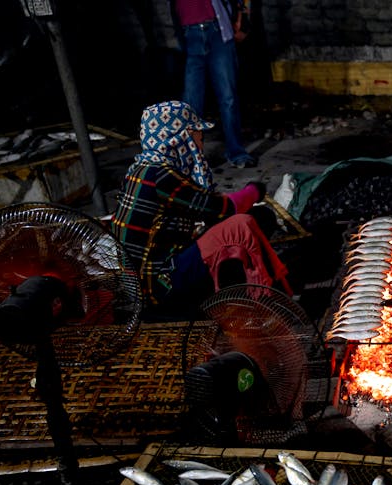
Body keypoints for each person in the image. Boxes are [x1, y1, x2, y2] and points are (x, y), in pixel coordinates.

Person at [110, 100, 291, 314]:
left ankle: (236, 287)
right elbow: (225, 209)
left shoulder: (140, 169)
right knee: (244, 224)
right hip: (159, 285)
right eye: (198, 136)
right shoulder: (160, 176)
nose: (201, 143)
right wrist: (255, 190)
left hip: (146, 279)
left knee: (246, 221)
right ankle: (264, 298)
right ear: (180, 138)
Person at [169, 0, 256, 168]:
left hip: (217, 32)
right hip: (191, 35)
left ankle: (236, 152)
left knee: (228, 97)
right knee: (191, 104)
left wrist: (241, 18)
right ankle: (190, 158)